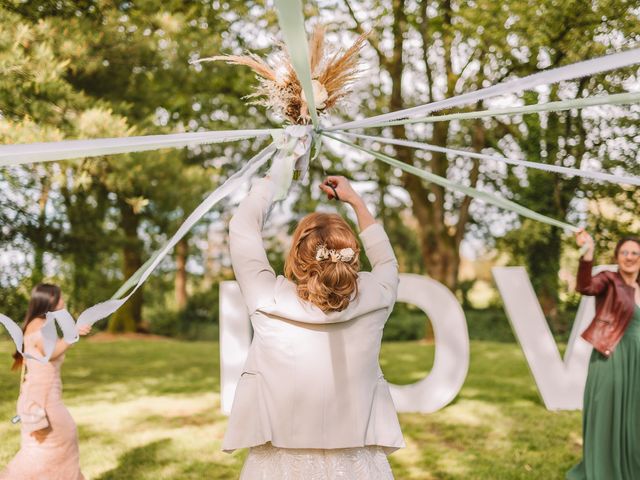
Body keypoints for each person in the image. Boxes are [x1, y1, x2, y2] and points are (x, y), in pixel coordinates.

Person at [224, 175, 404, 479]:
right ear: (352, 256)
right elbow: (387, 261)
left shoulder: (266, 297)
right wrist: (356, 201)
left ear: (297, 259)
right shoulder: (377, 296)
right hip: (357, 462)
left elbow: (242, 229)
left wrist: (273, 179)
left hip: (279, 464)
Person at [567, 231, 640, 479]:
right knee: (607, 415)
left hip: (638, 361)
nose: (629, 257)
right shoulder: (609, 280)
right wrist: (588, 251)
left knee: (634, 419)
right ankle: (604, 470)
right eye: (624, 252)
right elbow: (585, 286)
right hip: (613, 357)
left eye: (634, 253)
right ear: (617, 257)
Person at [0, 284, 90, 480]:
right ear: (47, 301)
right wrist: (73, 334)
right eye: (58, 299)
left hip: (40, 396)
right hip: (45, 399)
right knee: (61, 442)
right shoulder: (40, 325)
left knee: (45, 449)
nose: (63, 301)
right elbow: (51, 353)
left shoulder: (39, 323)